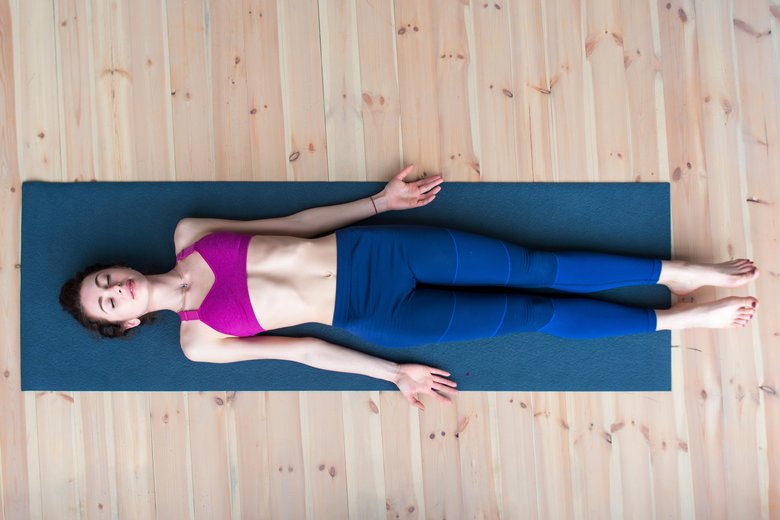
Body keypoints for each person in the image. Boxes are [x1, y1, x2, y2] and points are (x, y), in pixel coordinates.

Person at [60, 165, 760, 410]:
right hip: (377, 314)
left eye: (104, 280)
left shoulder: (189, 233)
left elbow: (291, 222)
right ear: (123, 326)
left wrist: (379, 203)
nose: (116, 287)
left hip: (375, 247)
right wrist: (392, 372)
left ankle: (684, 274)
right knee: (536, 311)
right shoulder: (199, 343)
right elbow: (305, 351)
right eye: (109, 302)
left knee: (535, 264)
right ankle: (680, 323)